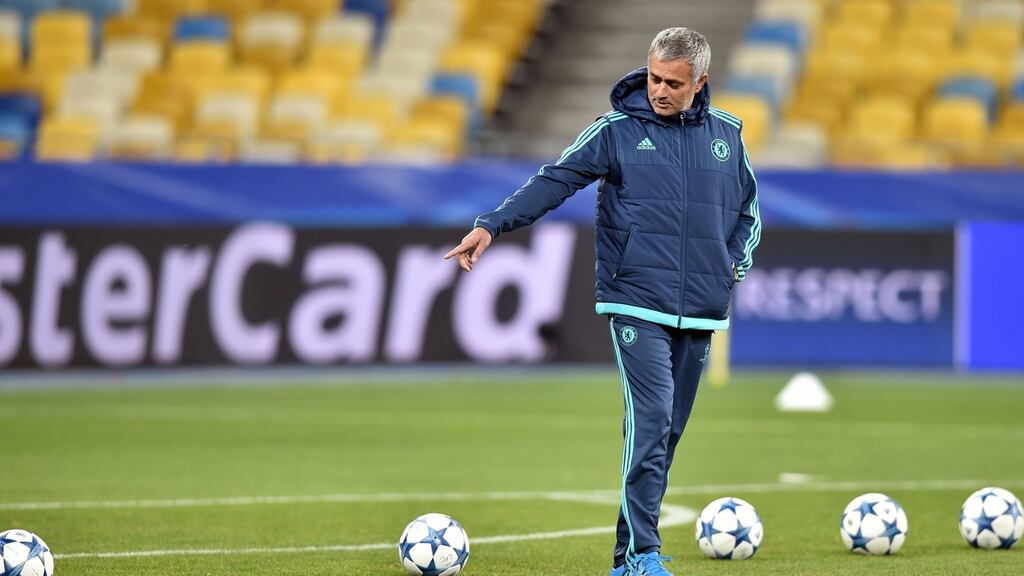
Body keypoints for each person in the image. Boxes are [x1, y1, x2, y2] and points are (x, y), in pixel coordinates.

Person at [444, 27, 760, 576]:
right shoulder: (615, 132)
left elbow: (748, 212)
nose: (660, 90)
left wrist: (732, 264)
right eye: (655, 77)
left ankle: (627, 556)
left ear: (700, 82)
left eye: (674, 83)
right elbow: (556, 180)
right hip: (635, 298)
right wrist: (492, 225)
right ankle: (642, 554)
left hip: (702, 306)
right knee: (652, 418)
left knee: (668, 432)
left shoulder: (727, 135)